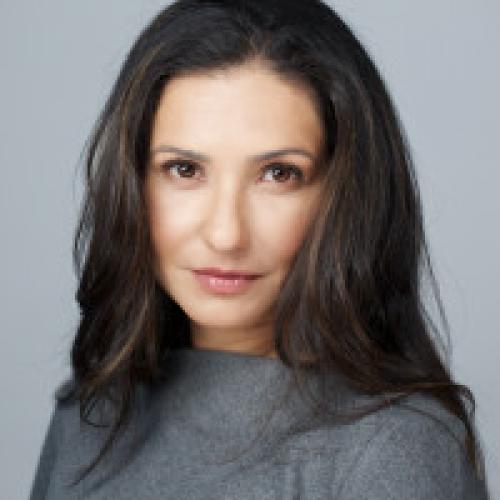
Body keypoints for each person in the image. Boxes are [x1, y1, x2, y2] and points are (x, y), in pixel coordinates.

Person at [29, 1, 490, 498]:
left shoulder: (394, 448)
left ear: (346, 197)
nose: (226, 234)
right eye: (184, 169)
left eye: (279, 174)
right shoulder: (89, 417)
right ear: (131, 181)